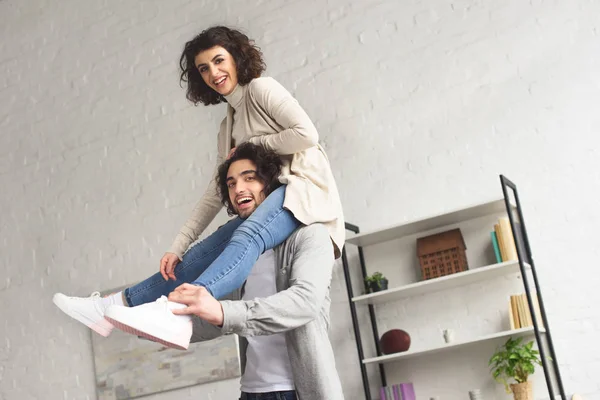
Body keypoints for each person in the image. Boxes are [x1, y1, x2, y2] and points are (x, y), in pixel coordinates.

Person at [52, 26, 345, 349]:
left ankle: (176, 311)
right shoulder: (227, 126)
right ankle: (111, 306)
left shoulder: (262, 89)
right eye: (204, 68)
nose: (214, 73)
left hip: (303, 195)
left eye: (219, 61)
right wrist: (177, 245)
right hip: (269, 207)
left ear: (237, 59)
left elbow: (307, 134)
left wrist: (254, 144)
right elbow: (216, 193)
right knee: (198, 256)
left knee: (244, 237)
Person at [105, 143, 345, 400]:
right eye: (231, 183)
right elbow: (213, 322)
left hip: (296, 391)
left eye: (249, 178)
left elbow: (304, 302)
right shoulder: (237, 255)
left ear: (272, 183)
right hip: (251, 391)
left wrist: (222, 311)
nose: (238, 188)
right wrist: (143, 325)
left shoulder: (311, 235)